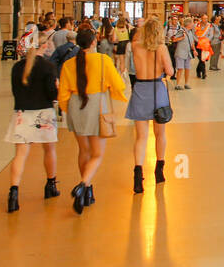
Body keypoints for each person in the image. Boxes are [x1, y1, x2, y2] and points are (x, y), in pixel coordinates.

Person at [58, 28, 129, 214]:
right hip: (97, 105)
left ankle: (87, 191)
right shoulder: (103, 60)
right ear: (93, 43)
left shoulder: (68, 64)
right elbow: (119, 85)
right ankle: (83, 185)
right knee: (97, 154)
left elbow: (63, 94)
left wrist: (69, 110)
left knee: (83, 150)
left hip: (76, 105)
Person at [6, 32, 59, 212]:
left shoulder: (17, 67)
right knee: (49, 149)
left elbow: (14, 91)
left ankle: (13, 192)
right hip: (43, 112)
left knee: (20, 154)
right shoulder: (49, 67)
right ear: (43, 46)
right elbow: (52, 94)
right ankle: (50, 185)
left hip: (22, 113)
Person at [126, 16, 174, 194]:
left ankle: (138, 176)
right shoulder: (161, 48)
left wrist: (142, 29)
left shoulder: (135, 46)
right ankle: (159, 170)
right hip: (157, 90)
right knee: (160, 134)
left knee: (141, 137)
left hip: (140, 89)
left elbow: (136, 37)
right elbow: (170, 71)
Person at [172, 18, 195, 90]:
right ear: (188, 24)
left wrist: (194, 50)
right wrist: (182, 37)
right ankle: (178, 84)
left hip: (188, 53)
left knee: (187, 68)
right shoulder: (181, 31)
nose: (193, 24)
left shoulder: (190, 32)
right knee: (180, 68)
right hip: (180, 53)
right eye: (192, 23)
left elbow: (192, 42)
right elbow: (174, 39)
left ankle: (186, 83)